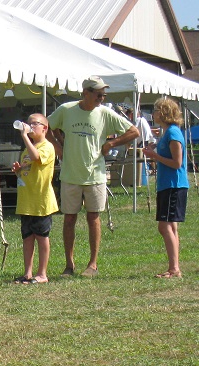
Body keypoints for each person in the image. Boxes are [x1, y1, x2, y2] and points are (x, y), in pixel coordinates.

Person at [46, 76, 139, 278]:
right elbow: (46, 127)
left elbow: (134, 131)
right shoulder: (66, 110)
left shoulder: (105, 113)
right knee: (69, 218)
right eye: (98, 94)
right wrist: (59, 147)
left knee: (93, 218)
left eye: (103, 95)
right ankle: (69, 265)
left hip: (95, 175)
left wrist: (111, 143)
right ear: (85, 93)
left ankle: (93, 264)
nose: (101, 98)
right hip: (71, 174)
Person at [142, 97, 188, 279]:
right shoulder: (166, 133)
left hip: (173, 185)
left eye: (155, 110)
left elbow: (177, 163)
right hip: (167, 185)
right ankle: (174, 267)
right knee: (171, 226)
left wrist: (154, 156)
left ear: (164, 113)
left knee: (165, 226)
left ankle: (174, 268)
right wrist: (154, 148)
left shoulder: (173, 133)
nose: (153, 114)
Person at [11, 114, 58, 285]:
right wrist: (18, 170)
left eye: (34, 124)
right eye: (28, 123)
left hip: (40, 201)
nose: (30, 126)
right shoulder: (27, 149)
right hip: (26, 201)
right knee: (27, 237)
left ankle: (42, 273)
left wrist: (24, 136)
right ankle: (27, 273)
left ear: (44, 128)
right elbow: (29, 168)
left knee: (41, 236)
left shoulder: (47, 146)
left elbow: (37, 157)